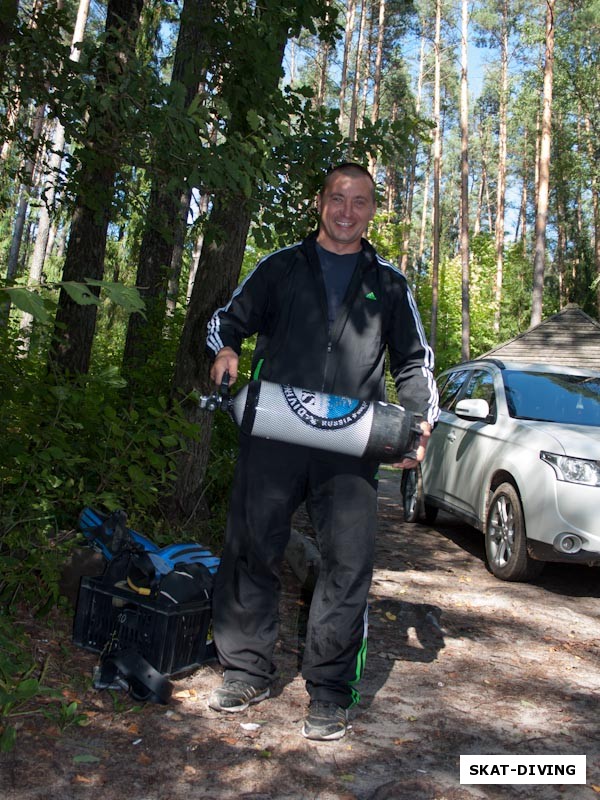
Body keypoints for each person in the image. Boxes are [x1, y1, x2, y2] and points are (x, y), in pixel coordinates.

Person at [205, 163, 439, 741]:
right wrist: (228, 350)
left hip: (352, 440)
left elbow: (414, 363)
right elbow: (224, 322)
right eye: (339, 198)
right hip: (275, 430)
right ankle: (245, 670)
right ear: (320, 202)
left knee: (348, 563)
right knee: (252, 547)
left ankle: (330, 690)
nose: (347, 210)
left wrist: (418, 423)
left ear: (371, 211)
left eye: (360, 201)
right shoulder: (281, 267)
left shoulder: (389, 284)